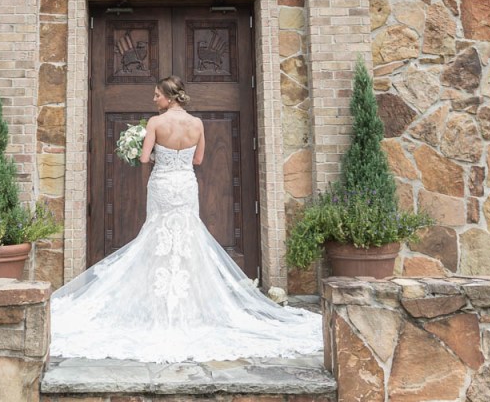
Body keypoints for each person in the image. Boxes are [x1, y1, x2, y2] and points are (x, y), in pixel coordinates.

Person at [49, 75, 323, 361]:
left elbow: (144, 159)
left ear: (170, 97)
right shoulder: (197, 124)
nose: (154, 99)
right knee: (188, 237)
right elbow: (198, 160)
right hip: (185, 185)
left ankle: (157, 303)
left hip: (162, 185)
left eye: (157, 95)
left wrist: (151, 153)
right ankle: (189, 304)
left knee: (157, 236)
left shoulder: (155, 123)